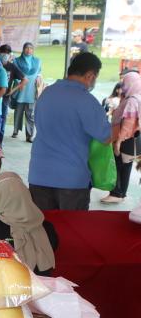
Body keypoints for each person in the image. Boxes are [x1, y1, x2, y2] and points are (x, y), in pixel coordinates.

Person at [29, 52, 112, 211]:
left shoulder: (47, 93)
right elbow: (106, 137)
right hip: (71, 179)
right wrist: (121, 124)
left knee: (43, 225)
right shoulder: (86, 100)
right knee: (73, 225)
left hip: (39, 174)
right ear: (90, 75)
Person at [101, 72, 141, 204]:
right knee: (126, 167)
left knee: (117, 166)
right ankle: (121, 194)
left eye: (125, 83)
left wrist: (118, 142)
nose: (123, 86)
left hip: (125, 140)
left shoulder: (132, 101)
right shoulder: (137, 97)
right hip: (132, 140)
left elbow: (128, 124)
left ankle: (116, 193)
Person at [0, 44, 27, 143]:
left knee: (2, 120)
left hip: (5, 97)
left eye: (7, 53)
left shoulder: (11, 66)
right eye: (3, 52)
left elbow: (24, 79)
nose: (4, 55)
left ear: (10, 55)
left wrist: (13, 90)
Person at [12, 43, 41, 142]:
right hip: (21, 88)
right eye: (26, 48)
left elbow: (39, 72)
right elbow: (15, 74)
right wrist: (19, 83)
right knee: (18, 111)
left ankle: (29, 135)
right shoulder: (16, 60)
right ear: (23, 49)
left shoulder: (37, 61)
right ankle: (15, 130)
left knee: (30, 114)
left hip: (31, 89)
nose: (29, 50)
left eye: (31, 48)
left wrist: (39, 76)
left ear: (33, 50)